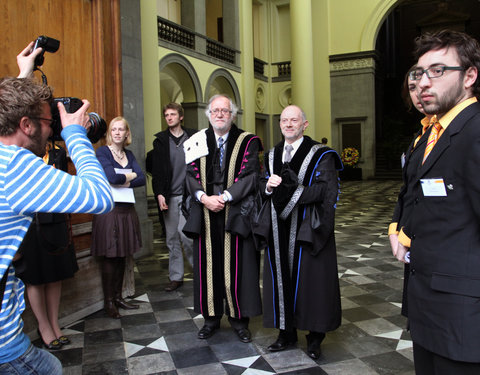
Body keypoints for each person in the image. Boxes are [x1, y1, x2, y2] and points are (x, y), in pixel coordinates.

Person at [0, 43, 113, 374]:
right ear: (26, 125)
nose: (52, 130)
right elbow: (99, 196)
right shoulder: (16, 165)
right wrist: (76, 135)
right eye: (48, 123)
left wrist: (24, 74)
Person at [396, 29, 480, 374]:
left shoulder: (474, 133)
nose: (425, 82)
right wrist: (399, 230)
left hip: (463, 320)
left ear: (470, 76)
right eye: (420, 71)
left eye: (439, 70)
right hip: (430, 309)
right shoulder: (436, 132)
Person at [254, 105, 342, 359]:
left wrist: (292, 191)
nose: (288, 124)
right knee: (282, 280)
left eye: (294, 120)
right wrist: (269, 187)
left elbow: (326, 190)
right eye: (284, 120)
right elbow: (261, 184)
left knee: (311, 283)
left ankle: (315, 337)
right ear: (279, 124)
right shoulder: (271, 155)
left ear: (305, 124)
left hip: (307, 229)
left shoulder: (321, 155)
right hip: (278, 230)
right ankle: (286, 333)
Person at [183, 94, 262, 343]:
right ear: (208, 114)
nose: (219, 114)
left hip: (235, 211)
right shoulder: (197, 140)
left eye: (224, 111)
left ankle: (239, 320)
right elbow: (189, 174)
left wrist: (225, 197)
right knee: (209, 266)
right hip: (206, 210)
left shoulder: (248, 141)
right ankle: (211, 319)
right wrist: (203, 197)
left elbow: (250, 175)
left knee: (238, 267)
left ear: (232, 115)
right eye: (215, 110)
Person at [15, 143, 78, 351]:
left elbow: (64, 183)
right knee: (35, 276)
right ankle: (44, 327)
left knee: (55, 274)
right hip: (30, 222)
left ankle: (55, 323)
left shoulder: (58, 152)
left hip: (55, 218)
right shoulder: (20, 153)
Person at [389, 67, 434, 319]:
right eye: (412, 89)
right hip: (413, 243)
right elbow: (408, 188)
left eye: (423, 88)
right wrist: (395, 228)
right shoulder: (420, 135)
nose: (419, 95)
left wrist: (405, 234)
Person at [91, 117, 146, 319]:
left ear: (126, 133)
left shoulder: (128, 154)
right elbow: (111, 178)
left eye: (121, 129)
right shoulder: (103, 152)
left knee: (123, 255)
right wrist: (128, 176)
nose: (116, 132)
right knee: (110, 256)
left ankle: (119, 297)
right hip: (110, 211)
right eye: (113, 129)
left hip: (126, 210)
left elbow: (141, 177)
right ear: (109, 133)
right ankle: (108, 302)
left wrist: (125, 178)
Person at [152, 103, 195, 292]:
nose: (169, 118)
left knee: (187, 237)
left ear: (181, 117)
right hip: (169, 196)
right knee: (171, 239)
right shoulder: (160, 141)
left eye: (173, 114)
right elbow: (157, 171)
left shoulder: (193, 137)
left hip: (189, 197)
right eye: (166, 115)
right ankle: (176, 276)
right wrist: (160, 193)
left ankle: (199, 272)